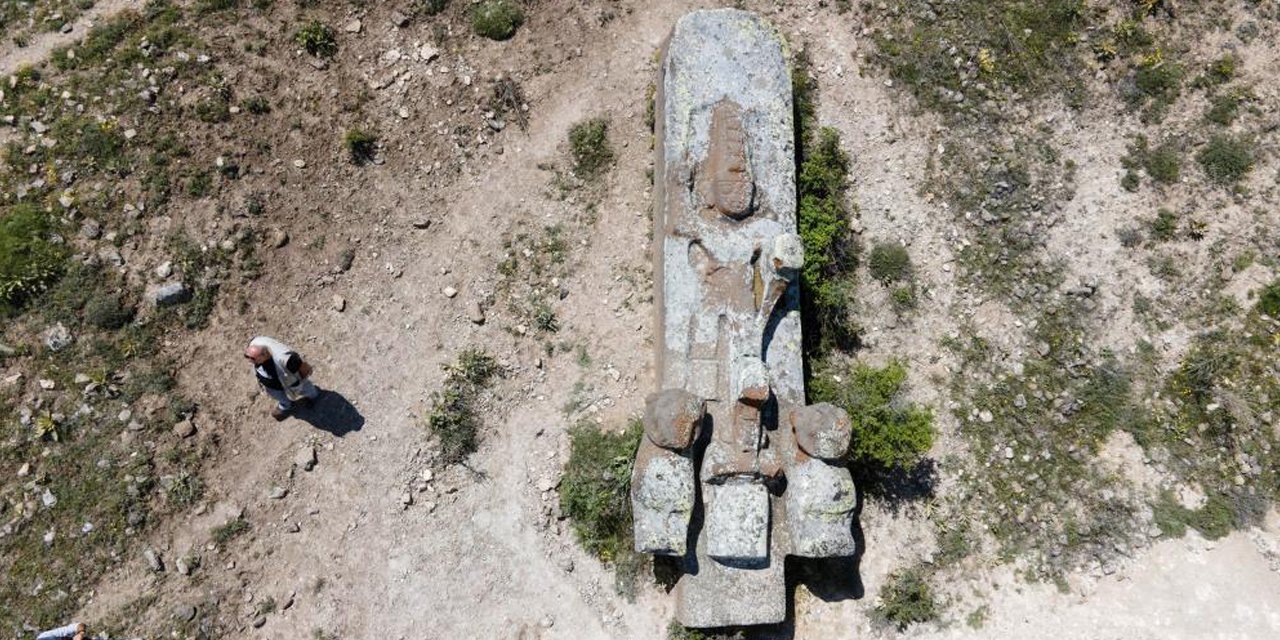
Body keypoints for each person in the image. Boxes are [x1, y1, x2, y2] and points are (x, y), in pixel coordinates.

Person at [245, 336, 320, 421]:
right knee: (277, 395)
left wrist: (302, 379)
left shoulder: (286, 359)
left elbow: (304, 369)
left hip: (289, 381)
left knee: (304, 387)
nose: (249, 360)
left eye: (253, 358)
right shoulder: (255, 344)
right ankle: (286, 405)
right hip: (272, 384)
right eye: (247, 356)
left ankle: (313, 396)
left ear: (264, 355)